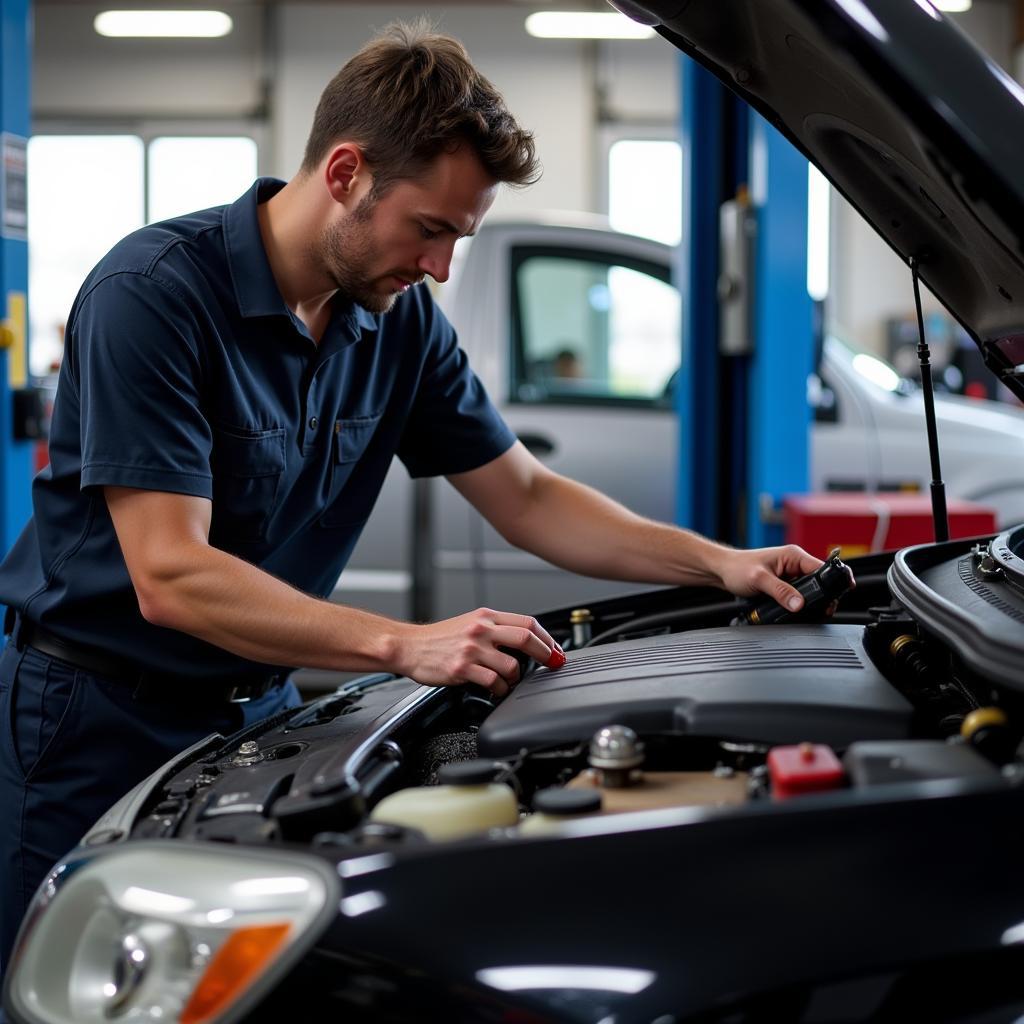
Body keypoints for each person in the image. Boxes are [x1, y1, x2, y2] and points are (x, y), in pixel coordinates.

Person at [0, 21, 825, 972]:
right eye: (428, 230)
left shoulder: (399, 324)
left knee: (228, 980)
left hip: (257, 708)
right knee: (66, 981)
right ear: (346, 172)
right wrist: (403, 643)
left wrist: (719, 560)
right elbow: (171, 576)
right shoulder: (152, 295)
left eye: (457, 239)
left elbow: (527, 495)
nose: (439, 268)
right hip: (94, 717)